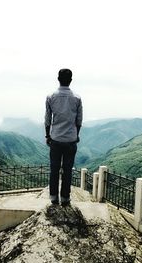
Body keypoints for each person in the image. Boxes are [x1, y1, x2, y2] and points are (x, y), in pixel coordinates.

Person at [44, 68, 83, 206]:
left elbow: (48, 119)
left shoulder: (51, 97)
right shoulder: (77, 98)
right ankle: (65, 198)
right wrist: (76, 135)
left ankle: (54, 198)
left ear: (58, 79)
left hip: (55, 139)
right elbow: (79, 121)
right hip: (70, 140)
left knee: (54, 169)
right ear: (71, 80)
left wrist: (48, 135)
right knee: (67, 170)